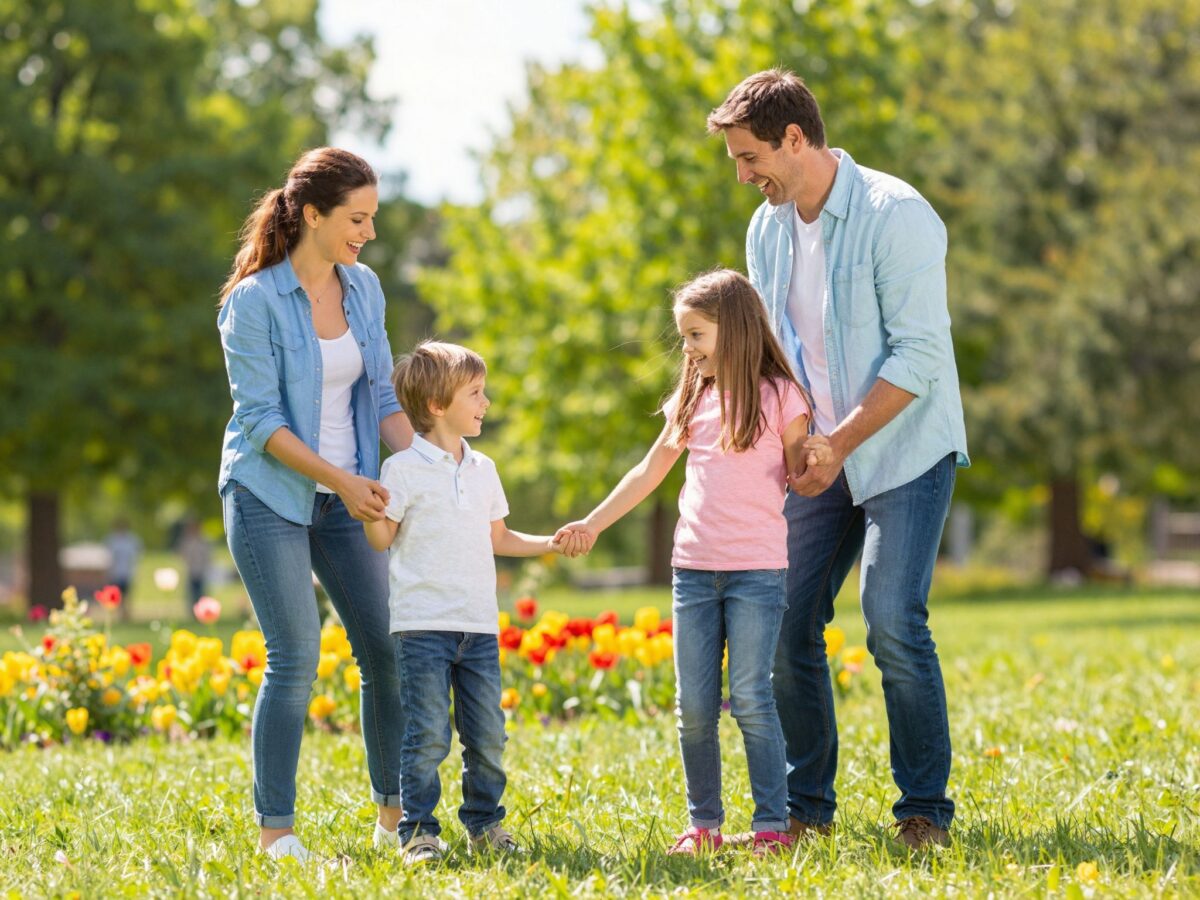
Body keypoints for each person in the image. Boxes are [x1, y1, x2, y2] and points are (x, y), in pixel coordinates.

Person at [706, 69, 970, 850]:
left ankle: (923, 809)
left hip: (903, 450)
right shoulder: (768, 229)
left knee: (891, 620)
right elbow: (774, 356)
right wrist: (791, 446)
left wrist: (839, 443)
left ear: (796, 138)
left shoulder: (897, 215)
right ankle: (806, 810)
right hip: (816, 455)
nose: (746, 176)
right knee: (783, 618)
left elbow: (919, 358)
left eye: (751, 157)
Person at [556, 270, 831, 856]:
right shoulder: (693, 397)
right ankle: (703, 825)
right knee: (695, 707)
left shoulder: (783, 396)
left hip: (757, 570)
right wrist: (593, 523)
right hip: (693, 572)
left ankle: (770, 828)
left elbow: (802, 478)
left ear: (732, 330)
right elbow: (649, 471)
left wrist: (813, 458)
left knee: (753, 697)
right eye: (684, 337)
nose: (687, 348)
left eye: (695, 335)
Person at [217, 147, 413, 861]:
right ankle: (277, 834)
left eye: (372, 219)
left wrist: (430, 464)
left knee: (386, 650)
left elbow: (385, 398)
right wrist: (342, 479)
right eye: (356, 219)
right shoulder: (254, 301)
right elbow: (263, 424)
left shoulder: (363, 290)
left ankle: (395, 822)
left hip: (348, 492)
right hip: (269, 492)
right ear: (311, 214)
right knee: (294, 655)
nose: (367, 233)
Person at [363, 341, 585, 866]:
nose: (486, 403)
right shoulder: (402, 470)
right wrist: (371, 510)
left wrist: (550, 541)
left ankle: (485, 825)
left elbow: (499, 537)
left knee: (487, 734)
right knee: (429, 736)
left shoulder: (483, 467)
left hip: (478, 626)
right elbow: (380, 540)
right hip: (422, 627)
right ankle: (418, 833)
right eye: (476, 393)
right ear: (438, 405)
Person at [105, 518, 141, 620]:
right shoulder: (111, 540)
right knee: (117, 596)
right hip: (115, 573)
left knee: (127, 595)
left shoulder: (131, 540)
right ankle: (119, 614)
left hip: (127, 572)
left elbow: (135, 557)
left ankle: (126, 614)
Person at [176, 519, 212, 617]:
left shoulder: (203, 541)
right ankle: (192, 614)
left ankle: (203, 613)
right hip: (191, 571)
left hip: (201, 571)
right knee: (191, 595)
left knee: (201, 594)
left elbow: (207, 556)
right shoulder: (186, 542)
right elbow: (182, 555)